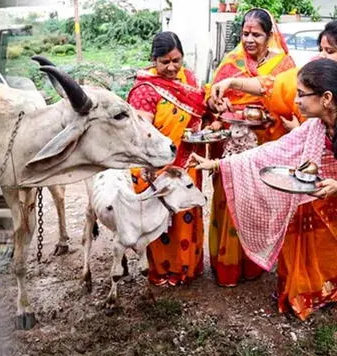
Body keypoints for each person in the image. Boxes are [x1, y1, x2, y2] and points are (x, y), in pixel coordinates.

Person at [190, 58, 337, 320]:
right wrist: (216, 164)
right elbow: (272, 152)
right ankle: (310, 293)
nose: (296, 102)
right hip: (320, 198)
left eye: (302, 95)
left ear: (326, 98)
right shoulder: (314, 127)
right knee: (302, 234)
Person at [206, 8, 296, 287]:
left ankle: (253, 264)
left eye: (256, 34)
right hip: (234, 145)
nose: (249, 39)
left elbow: (289, 99)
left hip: (267, 145)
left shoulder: (284, 65)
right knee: (229, 200)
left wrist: (272, 116)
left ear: (270, 36)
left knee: (258, 203)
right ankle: (227, 266)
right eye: (245, 33)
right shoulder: (232, 61)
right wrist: (216, 103)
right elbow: (211, 96)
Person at [126, 31, 210, 286]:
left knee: (186, 217)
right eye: (165, 62)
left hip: (187, 161)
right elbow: (141, 135)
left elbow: (201, 110)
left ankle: (188, 269)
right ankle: (163, 271)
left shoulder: (190, 79)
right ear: (154, 60)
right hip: (155, 168)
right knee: (160, 222)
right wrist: (152, 165)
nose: (172, 67)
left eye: (177, 60)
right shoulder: (145, 90)